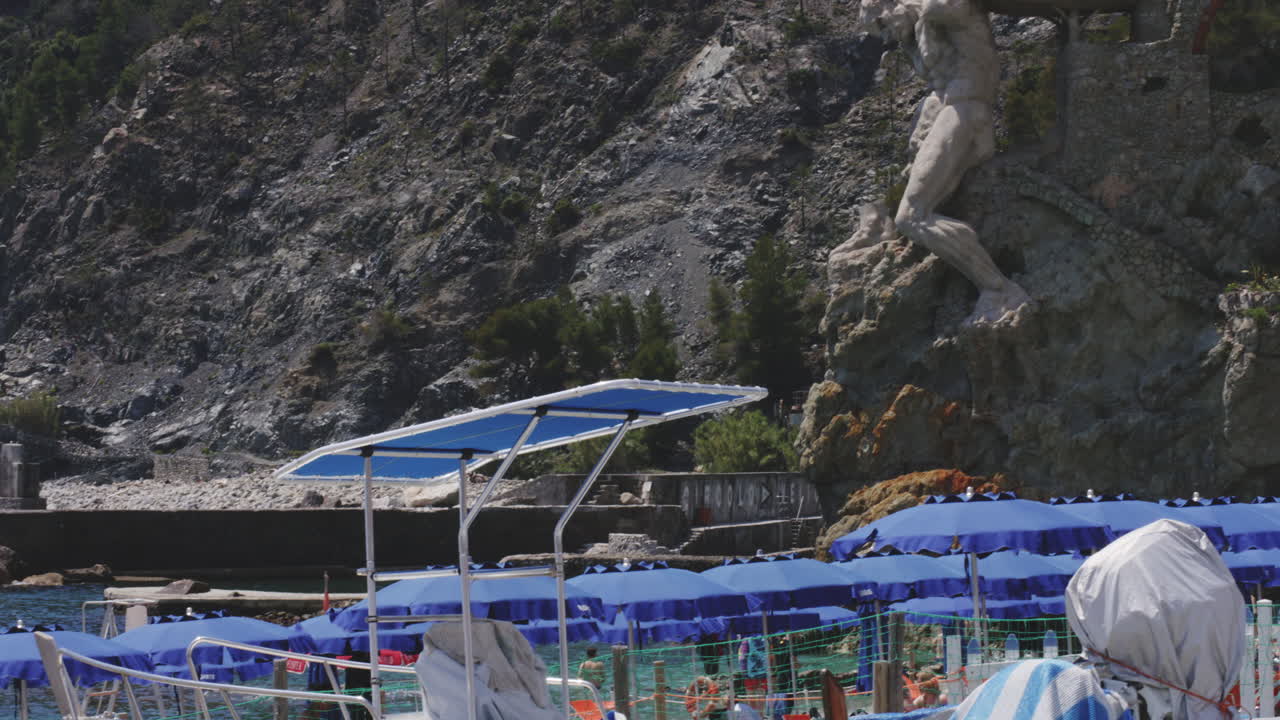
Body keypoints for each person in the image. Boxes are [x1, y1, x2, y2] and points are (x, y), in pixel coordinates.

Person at [852, 0, 1031, 324]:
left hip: (966, 111)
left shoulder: (939, 8)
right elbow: (940, 86)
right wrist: (921, 132)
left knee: (912, 216)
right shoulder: (913, 34)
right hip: (955, 111)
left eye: (881, 24)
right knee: (916, 210)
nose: (885, 36)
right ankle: (990, 285)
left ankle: (999, 289)